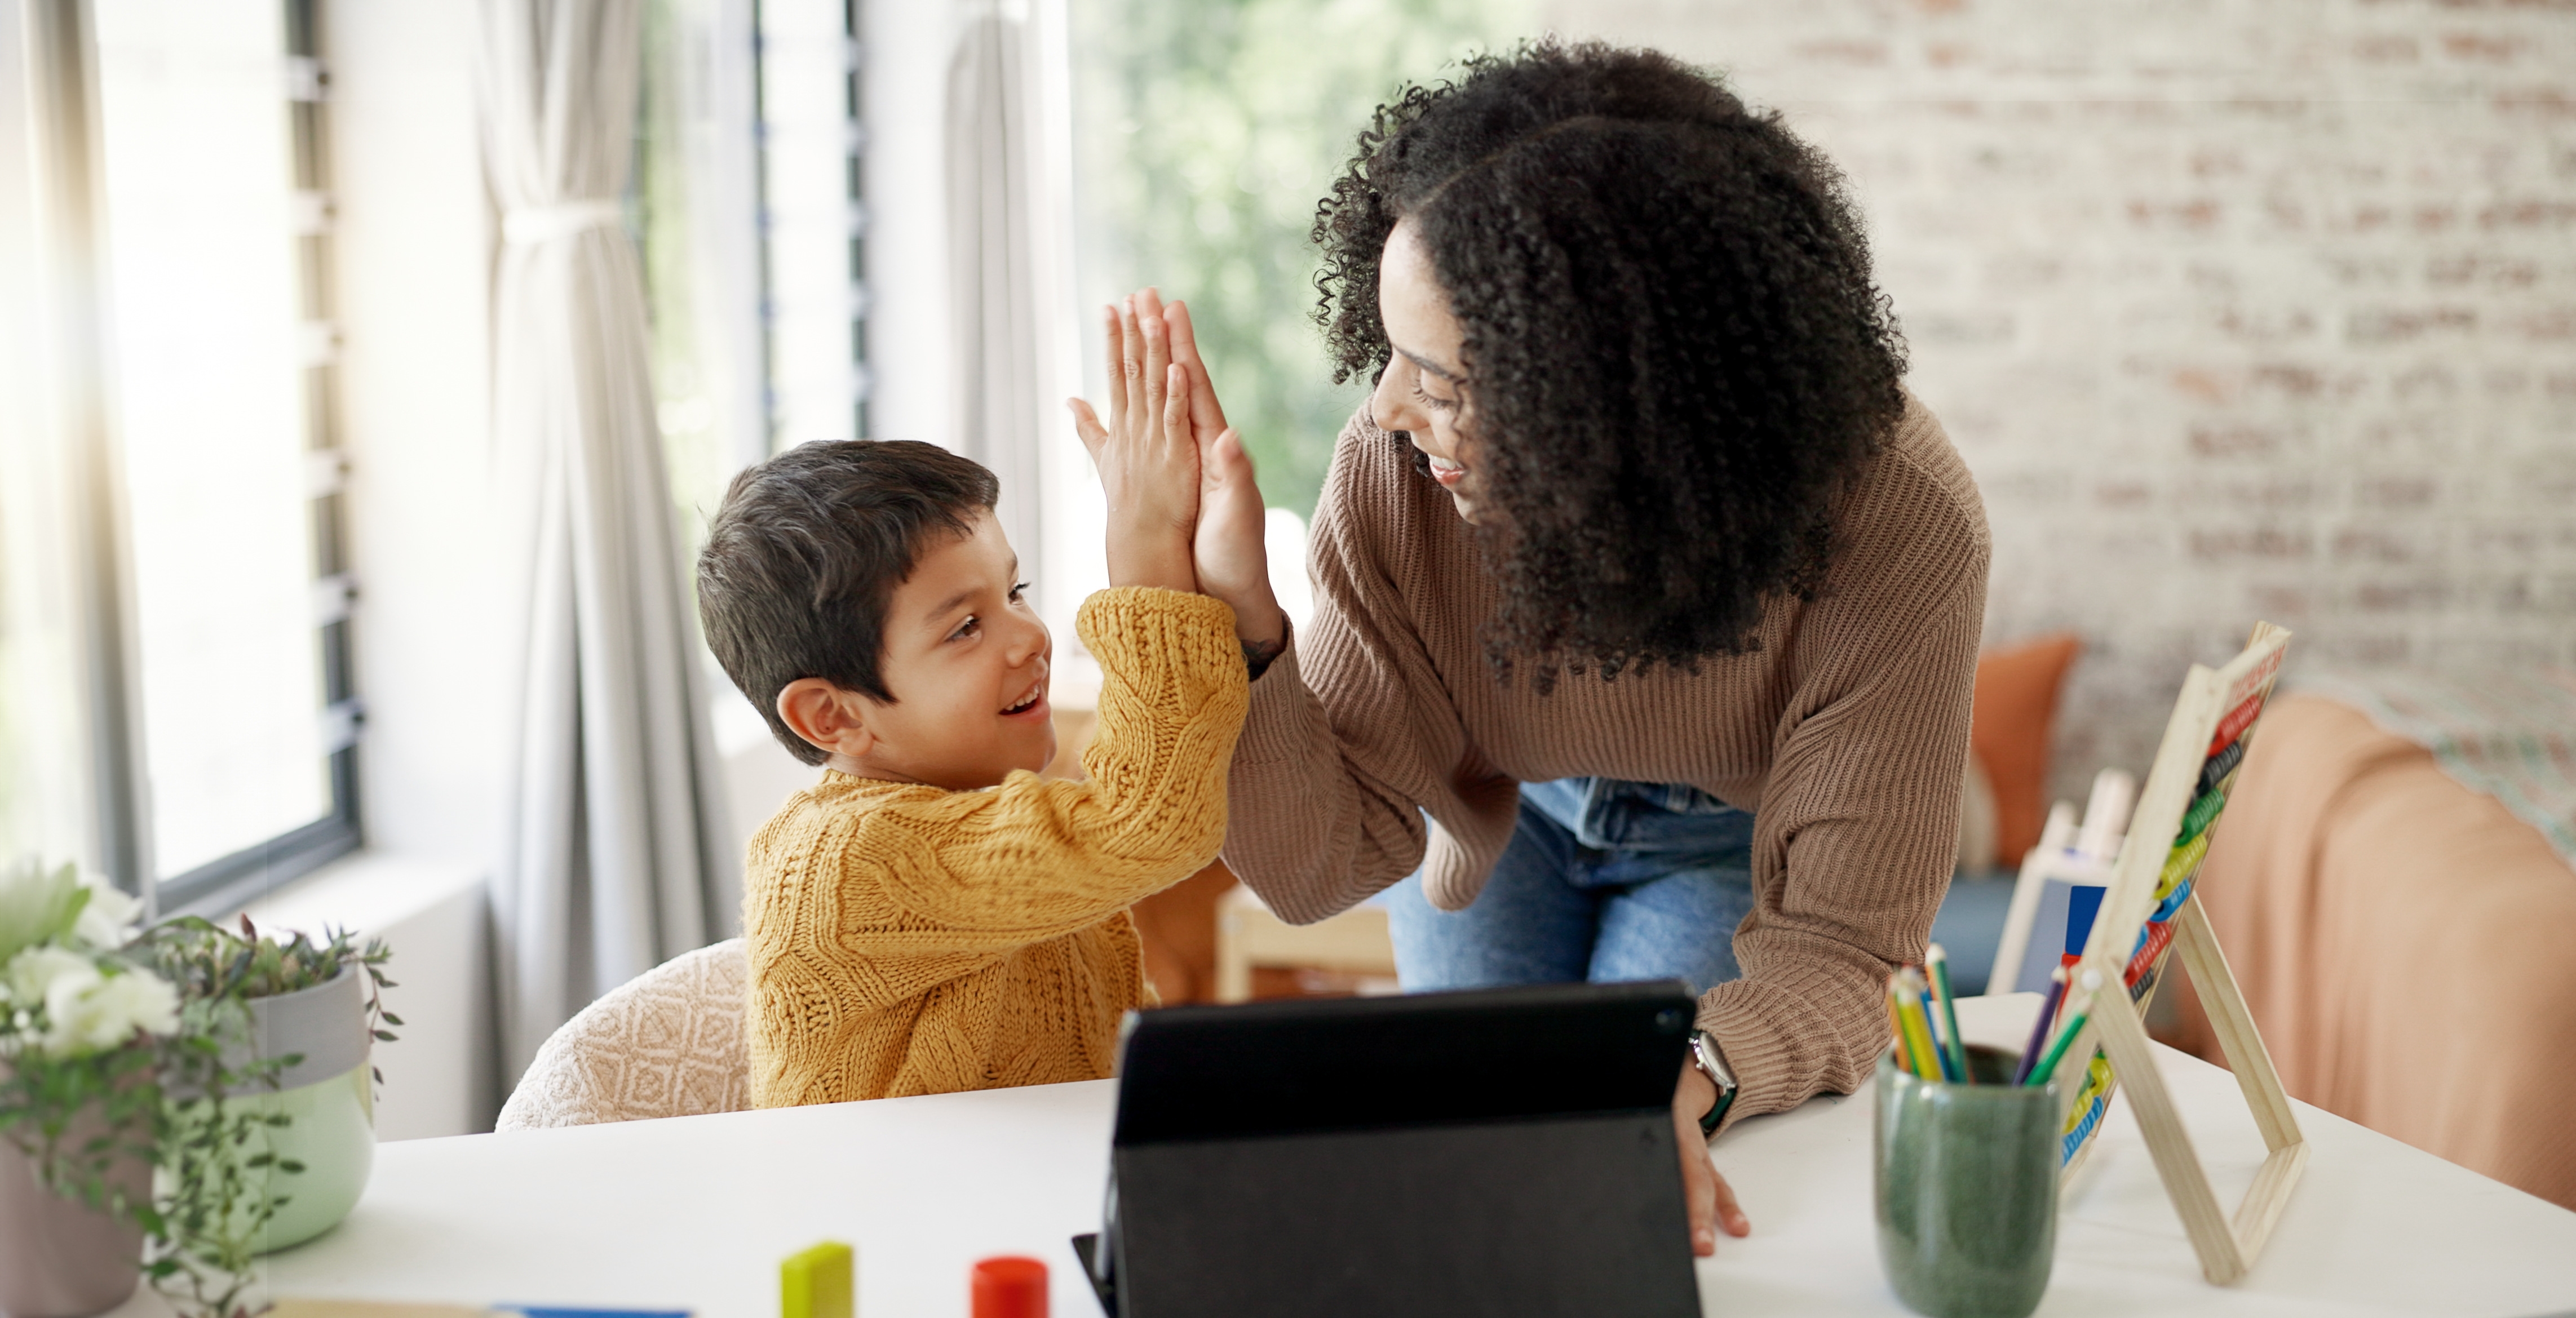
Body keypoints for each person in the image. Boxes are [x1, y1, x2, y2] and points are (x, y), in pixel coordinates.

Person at [1165, 41, 1990, 1255]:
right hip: (1497, 820)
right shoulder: (1395, 472)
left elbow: (1841, 950)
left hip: (1728, 840)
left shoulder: (1896, 517)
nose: (1390, 411)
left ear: (1611, 406)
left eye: (1441, 382)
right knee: (1483, 1176)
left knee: (1608, 1174)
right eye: (1389, 357)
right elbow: (1314, 867)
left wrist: (1698, 1067)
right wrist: (1240, 618)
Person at [698, 299, 1277, 1106]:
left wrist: (1222, 592)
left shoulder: (986, 813)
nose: (1028, 637)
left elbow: (1175, 780)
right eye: (966, 626)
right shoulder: (843, 862)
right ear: (833, 718)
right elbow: (1147, 821)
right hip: (901, 1228)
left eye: (1016, 590)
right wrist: (1144, 549)